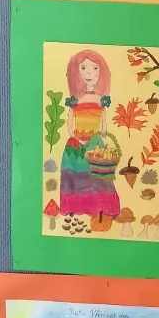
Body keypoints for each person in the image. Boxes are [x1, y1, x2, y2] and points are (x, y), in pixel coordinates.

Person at [59, 50, 120, 219]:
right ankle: (74, 207)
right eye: (83, 68)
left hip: (94, 143)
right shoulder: (75, 100)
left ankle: (101, 207)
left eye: (95, 68)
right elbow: (70, 124)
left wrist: (99, 140)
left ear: (101, 73)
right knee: (73, 173)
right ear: (76, 72)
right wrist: (76, 138)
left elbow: (104, 126)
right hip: (76, 144)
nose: (89, 73)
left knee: (99, 176)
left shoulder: (101, 100)